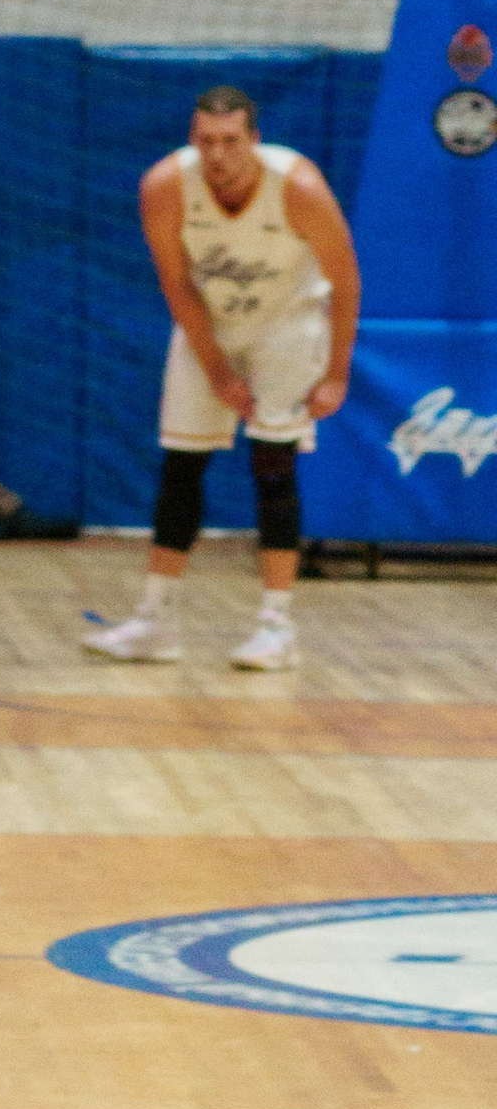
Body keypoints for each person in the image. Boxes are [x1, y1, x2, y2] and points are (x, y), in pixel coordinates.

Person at [85, 85, 361, 672]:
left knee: (273, 465)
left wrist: (336, 374)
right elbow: (177, 283)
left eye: (231, 141)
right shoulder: (164, 186)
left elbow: (347, 280)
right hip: (209, 324)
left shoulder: (299, 188)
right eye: (206, 141)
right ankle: (155, 620)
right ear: (192, 139)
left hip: (286, 325)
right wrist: (215, 368)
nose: (218, 154)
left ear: (254, 140)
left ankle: (276, 625)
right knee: (181, 466)